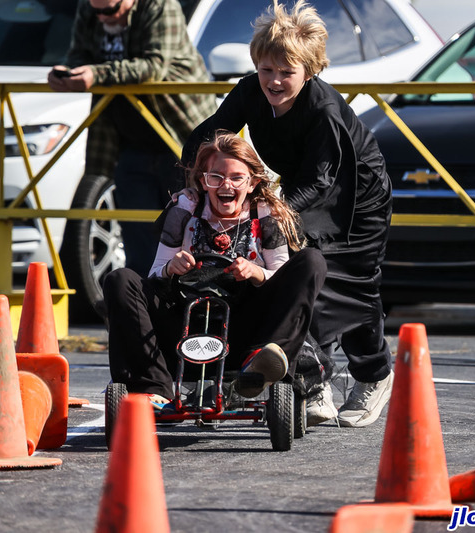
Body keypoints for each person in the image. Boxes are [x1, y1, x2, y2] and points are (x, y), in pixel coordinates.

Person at [181, 1, 394, 427]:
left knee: (349, 283)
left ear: (309, 71)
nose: (274, 81)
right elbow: (213, 133)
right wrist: (191, 178)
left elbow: (323, 181)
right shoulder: (250, 91)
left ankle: (373, 375)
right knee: (299, 278)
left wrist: (267, 212)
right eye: (266, 70)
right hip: (301, 189)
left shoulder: (324, 111)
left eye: (286, 72)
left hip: (357, 196)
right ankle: (312, 381)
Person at [103, 131, 326, 406]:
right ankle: (154, 387)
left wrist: (255, 272)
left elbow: (282, 276)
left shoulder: (265, 214)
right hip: (186, 318)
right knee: (120, 279)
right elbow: (154, 274)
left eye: (236, 178)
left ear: (252, 182)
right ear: (203, 181)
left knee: (311, 261)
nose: (226, 185)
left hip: (243, 324)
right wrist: (172, 268)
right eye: (216, 177)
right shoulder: (185, 209)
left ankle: (264, 360)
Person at [48, 0, 216, 276]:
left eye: (109, 11)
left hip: (178, 135)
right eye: (96, 10)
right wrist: (68, 73)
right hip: (128, 140)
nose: (101, 17)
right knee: (137, 235)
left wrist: (96, 73)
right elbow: (79, 55)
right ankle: (141, 303)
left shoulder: (160, 6)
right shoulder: (90, 8)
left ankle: (189, 301)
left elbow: (153, 67)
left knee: (188, 229)